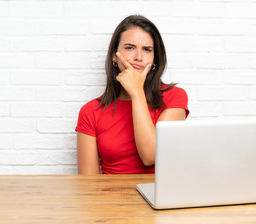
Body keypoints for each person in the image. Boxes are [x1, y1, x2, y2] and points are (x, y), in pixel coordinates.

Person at [75, 15, 189, 174]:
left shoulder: (174, 97)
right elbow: (88, 184)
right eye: (129, 47)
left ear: (154, 58)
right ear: (114, 55)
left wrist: (136, 93)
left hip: (159, 197)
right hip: (112, 197)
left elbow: (150, 155)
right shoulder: (90, 112)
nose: (139, 57)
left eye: (147, 49)